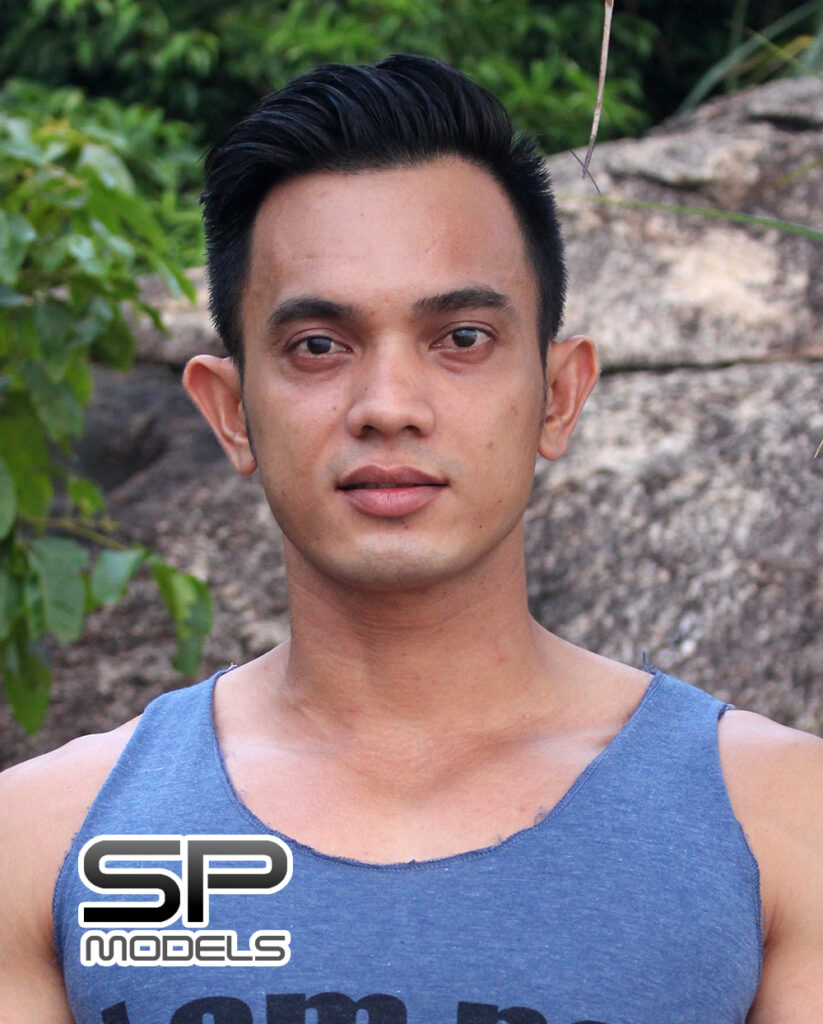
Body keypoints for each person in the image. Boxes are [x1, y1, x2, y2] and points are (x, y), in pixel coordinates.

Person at [0, 53, 821, 1024]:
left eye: (461, 338)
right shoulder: (44, 843)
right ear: (229, 411)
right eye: (318, 346)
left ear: (559, 395)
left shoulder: (782, 822)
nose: (388, 405)